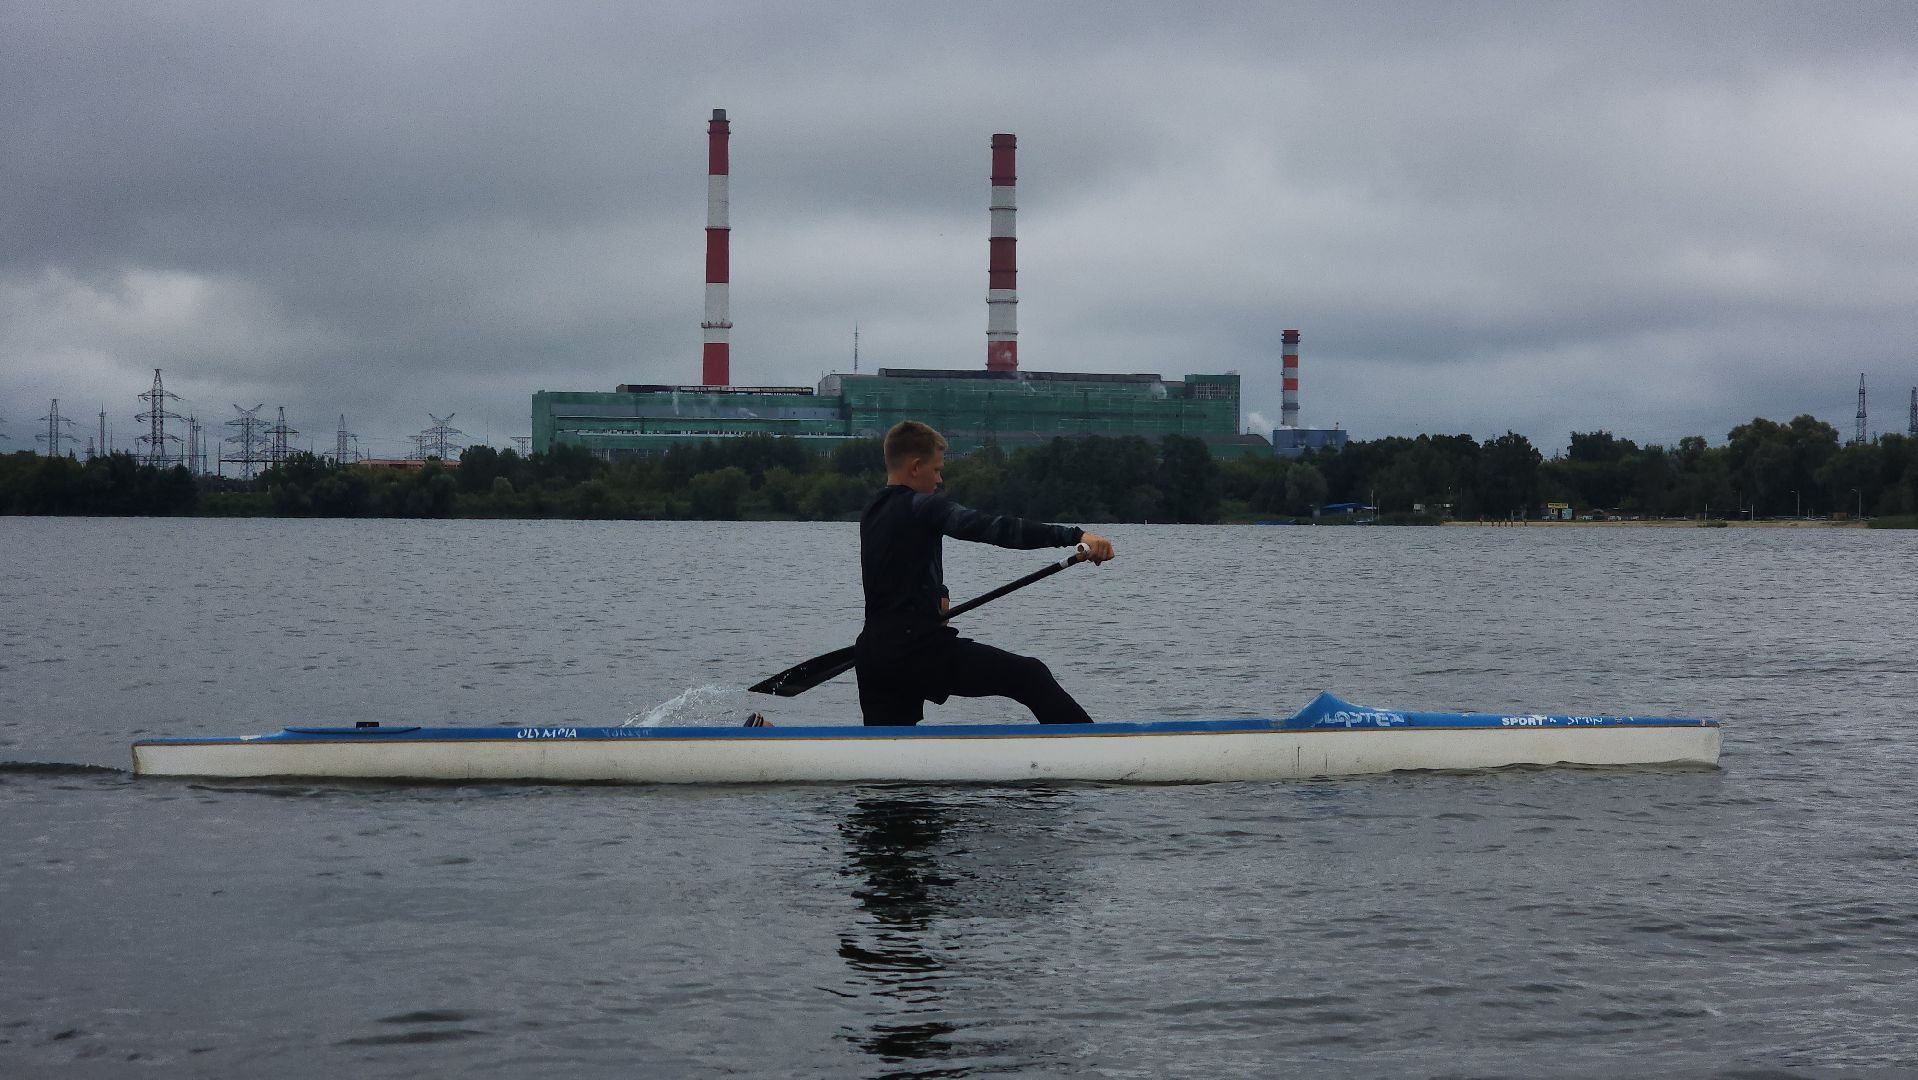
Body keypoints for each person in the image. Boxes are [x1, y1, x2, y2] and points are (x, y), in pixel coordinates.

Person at [855, 420, 1115, 726]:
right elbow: (994, 529)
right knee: (1029, 675)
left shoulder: (871, 511)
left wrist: (940, 595)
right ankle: (1092, 747)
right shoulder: (922, 506)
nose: (939, 479)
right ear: (915, 467)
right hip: (917, 651)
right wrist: (1074, 536)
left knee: (891, 753)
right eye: (936, 469)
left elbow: (897, 569)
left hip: (874, 655)